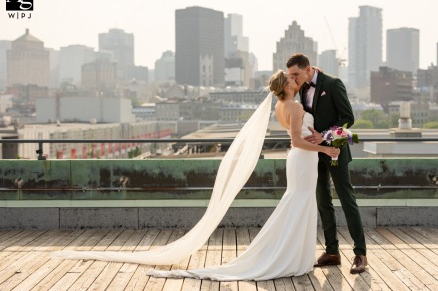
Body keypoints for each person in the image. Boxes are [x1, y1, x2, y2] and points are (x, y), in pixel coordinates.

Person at [51, 71, 339, 281]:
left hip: (302, 159)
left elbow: (300, 136)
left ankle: (293, 256)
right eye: (291, 78)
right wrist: (327, 150)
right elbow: (296, 141)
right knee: (299, 202)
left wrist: (315, 139)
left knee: (298, 202)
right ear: (286, 85)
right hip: (303, 158)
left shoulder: (280, 106)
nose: (294, 79)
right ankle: (289, 257)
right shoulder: (296, 106)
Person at [286, 53, 367, 274]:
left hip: (336, 147)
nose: (293, 78)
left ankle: (360, 254)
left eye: (296, 74)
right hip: (313, 153)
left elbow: (348, 117)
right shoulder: (301, 88)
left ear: (308, 68)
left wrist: (325, 136)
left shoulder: (333, 83)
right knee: (323, 201)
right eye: (290, 75)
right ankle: (332, 252)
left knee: (346, 199)